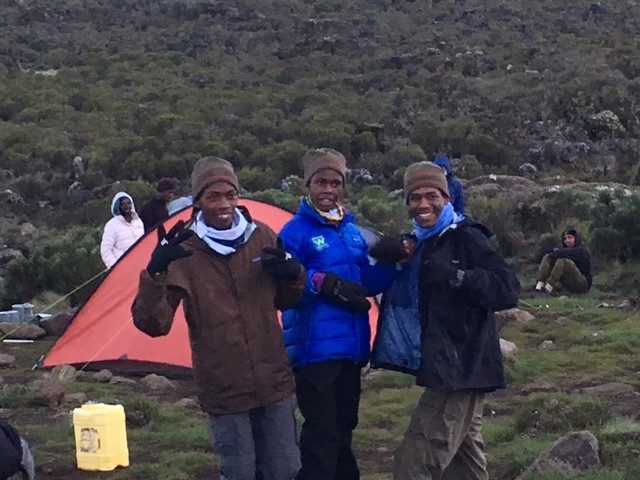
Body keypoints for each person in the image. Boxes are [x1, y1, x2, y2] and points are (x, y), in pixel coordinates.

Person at [132, 156, 305, 480]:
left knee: (285, 468)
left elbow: (286, 300)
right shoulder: (185, 250)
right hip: (224, 387)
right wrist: (155, 273)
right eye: (213, 196)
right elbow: (154, 324)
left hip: (273, 381)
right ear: (198, 201)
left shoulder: (261, 236)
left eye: (230, 195)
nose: (224, 204)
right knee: (240, 471)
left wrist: (294, 275)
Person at [371, 161, 520, 480]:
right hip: (449, 367)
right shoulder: (421, 243)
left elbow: (507, 289)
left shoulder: (467, 238)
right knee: (463, 464)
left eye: (431, 196)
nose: (423, 204)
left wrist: (458, 277)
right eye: (415, 198)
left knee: (415, 463)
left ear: (446, 198)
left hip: (461, 369)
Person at [278, 148, 401, 480]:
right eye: (321, 182)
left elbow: (365, 283)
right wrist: (318, 282)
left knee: (345, 425)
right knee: (321, 431)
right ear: (308, 184)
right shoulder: (294, 232)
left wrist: (394, 264)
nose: (329, 190)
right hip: (314, 348)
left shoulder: (351, 231)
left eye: (335, 183)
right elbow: (282, 288)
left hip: (350, 347)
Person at [535, 227, 592, 295]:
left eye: (570, 237)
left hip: (582, 284)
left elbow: (565, 252)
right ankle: (539, 285)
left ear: (576, 238)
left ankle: (548, 287)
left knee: (563, 261)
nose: (567, 240)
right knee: (547, 257)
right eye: (565, 238)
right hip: (568, 283)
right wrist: (550, 254)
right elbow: (548, 253)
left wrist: (555, 251)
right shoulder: (563, 250)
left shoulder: (582, 250)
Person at [100, 191, 144, 268]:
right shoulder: (111, 225)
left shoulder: (138, 221)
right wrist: (115, 266)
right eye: (123, 204)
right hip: (123, 268)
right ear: (118, 206)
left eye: (128, 203)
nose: (127, 206)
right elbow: (105, 250)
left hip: (141, 264)